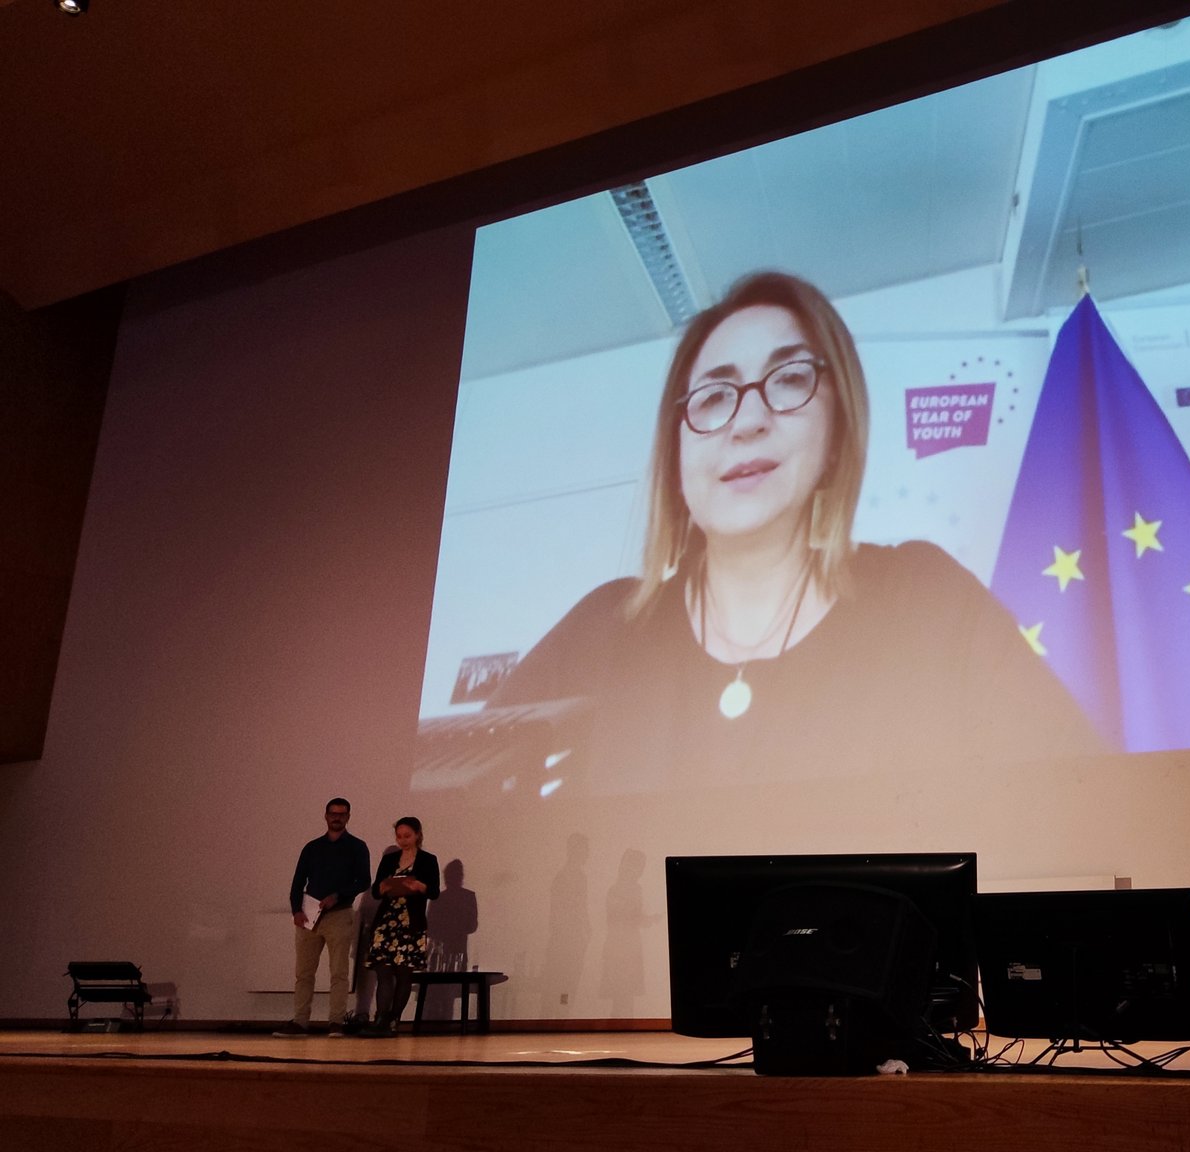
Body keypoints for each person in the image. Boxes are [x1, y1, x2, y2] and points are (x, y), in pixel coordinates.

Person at [486, 271, 1101, 792]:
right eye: (712, 396)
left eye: (788, 379)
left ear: (838, 427)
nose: (748, 419)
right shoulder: (600, 631)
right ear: (676, 453)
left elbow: (1080, 813)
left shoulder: (928, 602)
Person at [277, 797, 371, 1037]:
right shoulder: (312, 847)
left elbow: (364, 881)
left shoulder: (357, 847)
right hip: (309, 916)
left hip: (339, 915)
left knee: (338, 972)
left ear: (348, 817)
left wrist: (338, 896)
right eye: (333, 813)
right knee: (304, 972)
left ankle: (336, 1022)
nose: (336, 817)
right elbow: (298, 882)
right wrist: (296, 910)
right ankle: (300, 1022)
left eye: (341, 813)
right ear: (326, 815)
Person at [361, 816, 441, 1037]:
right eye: (399, 836)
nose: (403, 841)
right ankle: (380, 1019)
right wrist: (385, 886)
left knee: (404, 974)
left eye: (407, 836)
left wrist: (418, 885)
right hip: (387, 921)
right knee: (383, 972)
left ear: (417, 835)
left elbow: (434, 891)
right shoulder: (390, 859)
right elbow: (376, 889)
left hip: (410, 923)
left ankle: (394, 1019)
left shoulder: (427, 860)